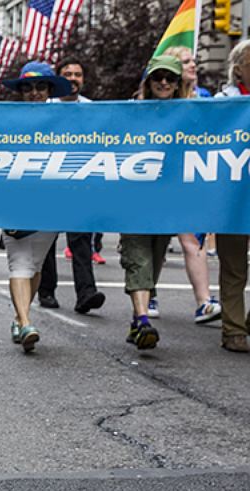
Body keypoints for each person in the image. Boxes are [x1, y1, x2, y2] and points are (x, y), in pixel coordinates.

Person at [0, 62, 70, 352]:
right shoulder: (5, 121)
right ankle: (27, 321)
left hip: (50, 206)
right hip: (14, 201)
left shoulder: (64, 121)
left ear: (50, 90)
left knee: (36, 266)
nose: (34, 93)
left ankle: (19, 316)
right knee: (20, 263)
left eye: (41, 87)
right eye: (27, 88)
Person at [119, 55, 187, 350]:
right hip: (133, 201)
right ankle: (144, 319)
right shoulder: (130, 113)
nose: (164, 83)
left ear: (177, 85)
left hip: (167, 204)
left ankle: (137, 318)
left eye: (170, 79)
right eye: (158, 77)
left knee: (155, 260)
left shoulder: (190, 115)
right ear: (148, 82)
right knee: (138, 259)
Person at [37, 58, 107, 316]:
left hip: (80, 183)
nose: (73, 78)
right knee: (47, 239)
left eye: (78, 74)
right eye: (67, 74)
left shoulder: (92, 110)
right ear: (58, 79)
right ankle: (46, 291)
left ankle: (86, 293)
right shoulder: (46, 108)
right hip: (50, 182)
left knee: (81, 240)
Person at [160, 46, 222, 326]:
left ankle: (204, 302)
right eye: (186, 62)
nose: (193, 65)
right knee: (155, 241)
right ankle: (147, 293)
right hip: (160, 179)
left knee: (192, 241)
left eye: (194, 61)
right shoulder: (156, 99)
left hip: (192, 179)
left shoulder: (206, 98)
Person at [215, 39, 250, 352]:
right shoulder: (222, 103)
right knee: (235, 267)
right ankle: (234, 329)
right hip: (234, 200)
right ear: (238, 70)